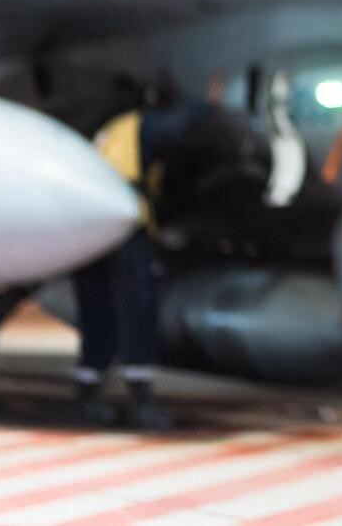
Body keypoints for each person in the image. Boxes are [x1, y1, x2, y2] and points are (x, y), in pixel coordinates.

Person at [73, 92, 271, 430]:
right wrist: (210, 104)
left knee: (98, 312)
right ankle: (142, 400)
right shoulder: (141, 126)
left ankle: (88, 395)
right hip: (124, 227)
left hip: (87, 232)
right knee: (136, 308)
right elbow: (177, 126)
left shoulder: (109, 132)